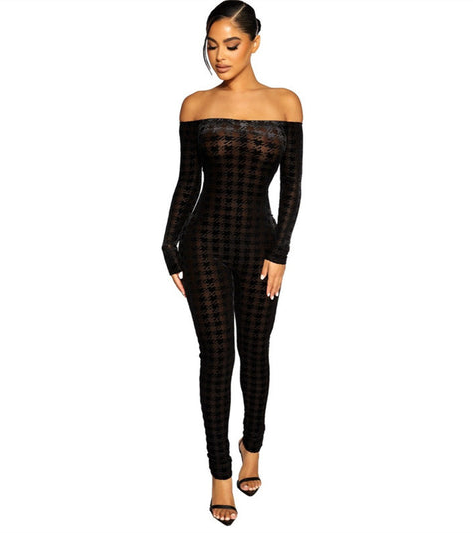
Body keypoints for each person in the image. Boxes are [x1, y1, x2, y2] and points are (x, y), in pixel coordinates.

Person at [161, 0, 303, 525]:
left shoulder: (286, 102)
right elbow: (187, 182)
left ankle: (253, 446)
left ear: (255, 43)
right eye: (211, 45)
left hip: (261, 246)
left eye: (231, 44)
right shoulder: (195, 105)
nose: (219, 55)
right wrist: (169, 245)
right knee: (217, 357)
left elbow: (293, 188)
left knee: (256, 352)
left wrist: (280, 252)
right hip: (203, 245)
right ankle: (220, 473)